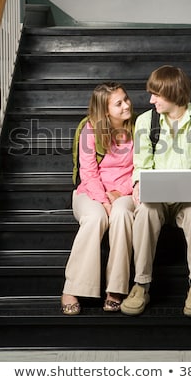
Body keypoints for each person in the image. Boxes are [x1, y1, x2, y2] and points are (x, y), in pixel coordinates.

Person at [120, 65, 191, 317]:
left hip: (190, 198)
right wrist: (138, 184)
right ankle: (141, 284)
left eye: (156, 95)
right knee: (146, 213)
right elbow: (141, 165)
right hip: (157, 199)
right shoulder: (145, 122)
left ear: (173, 93)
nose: (151, 100)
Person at [61, 82, 135, 315]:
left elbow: (141, 168)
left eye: (126, 99)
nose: (127, 105)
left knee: (122, 215)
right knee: (95, 218)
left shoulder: (139, 127)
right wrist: (104, 201)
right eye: (119, 103)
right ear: (105, 111)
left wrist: (120, 192)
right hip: (91, 191)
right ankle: (72, 288)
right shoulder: (90, 129)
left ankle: (116, 288)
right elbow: (88, 172)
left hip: (127, 191)